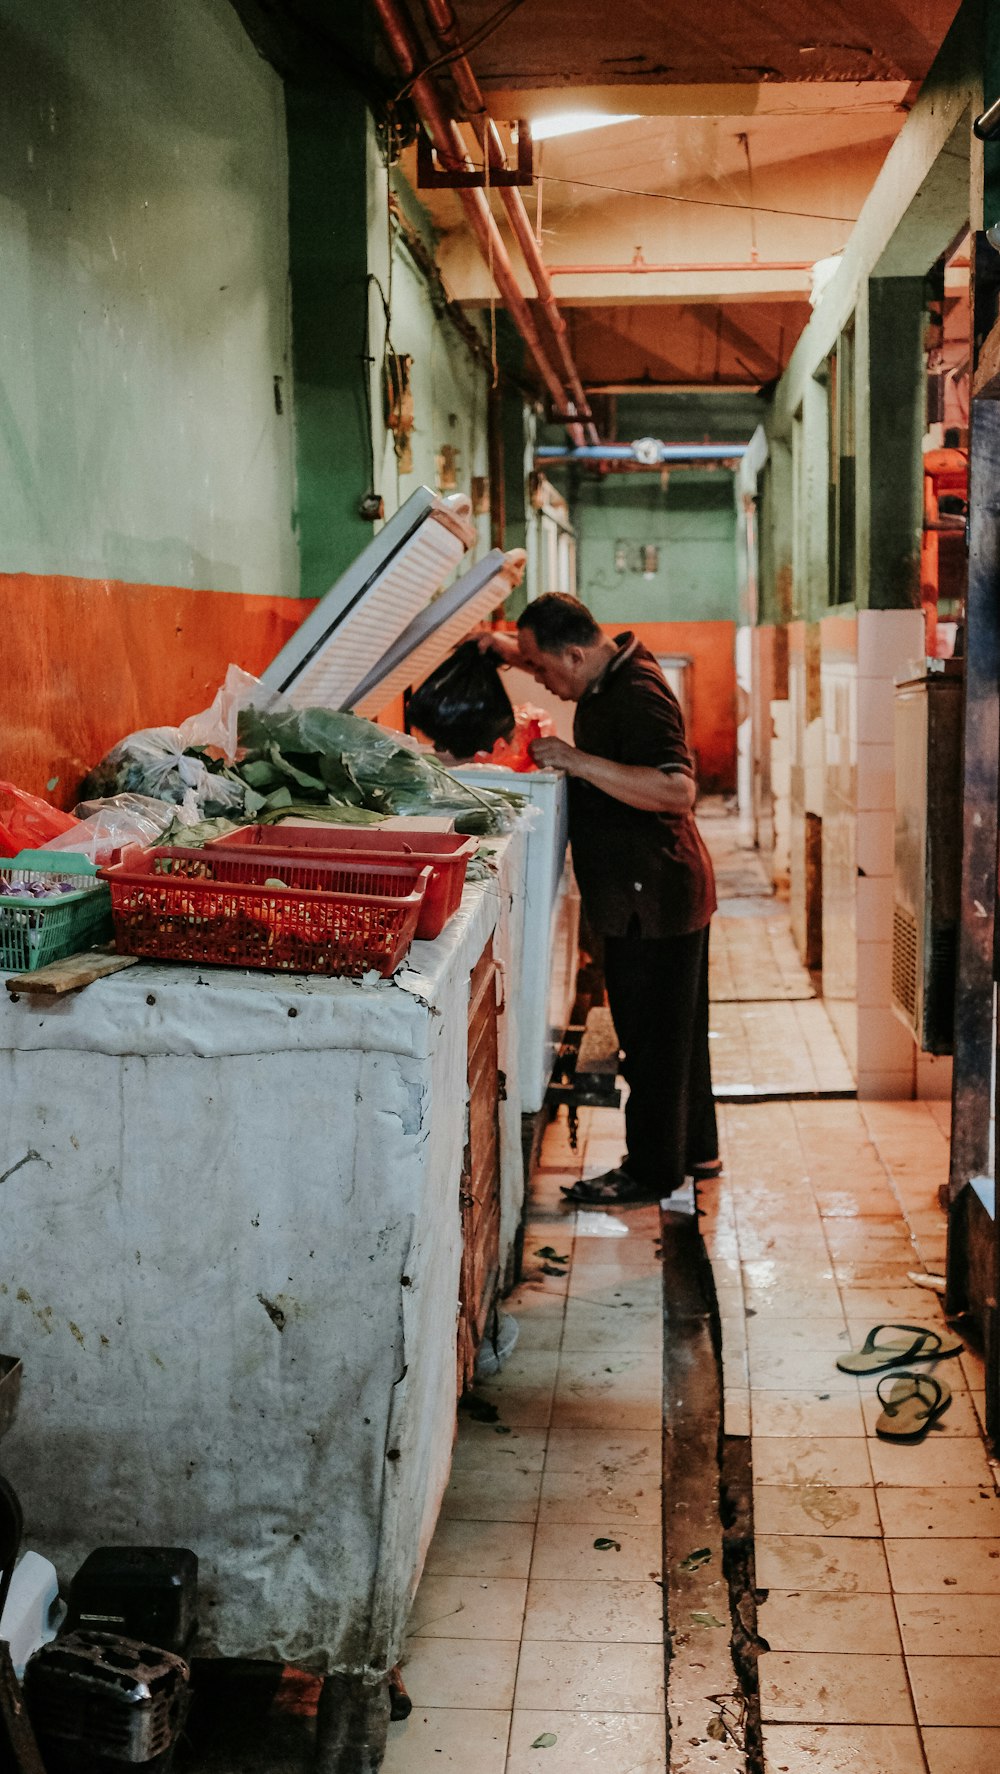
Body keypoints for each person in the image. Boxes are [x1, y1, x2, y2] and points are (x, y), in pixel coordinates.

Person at [483, 594, 718, 1206]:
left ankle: (651, 1172)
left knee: (652, 1048)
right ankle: (697, 1150)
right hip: (661, 891)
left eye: (541, 667)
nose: (541, 679)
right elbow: (550, 658)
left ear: (577, 653)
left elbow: (677, 789)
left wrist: (576, 761)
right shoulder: (609, 671)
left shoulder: (636, 692)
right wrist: (507, 648)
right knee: (679, 1037)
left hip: (655, 898)